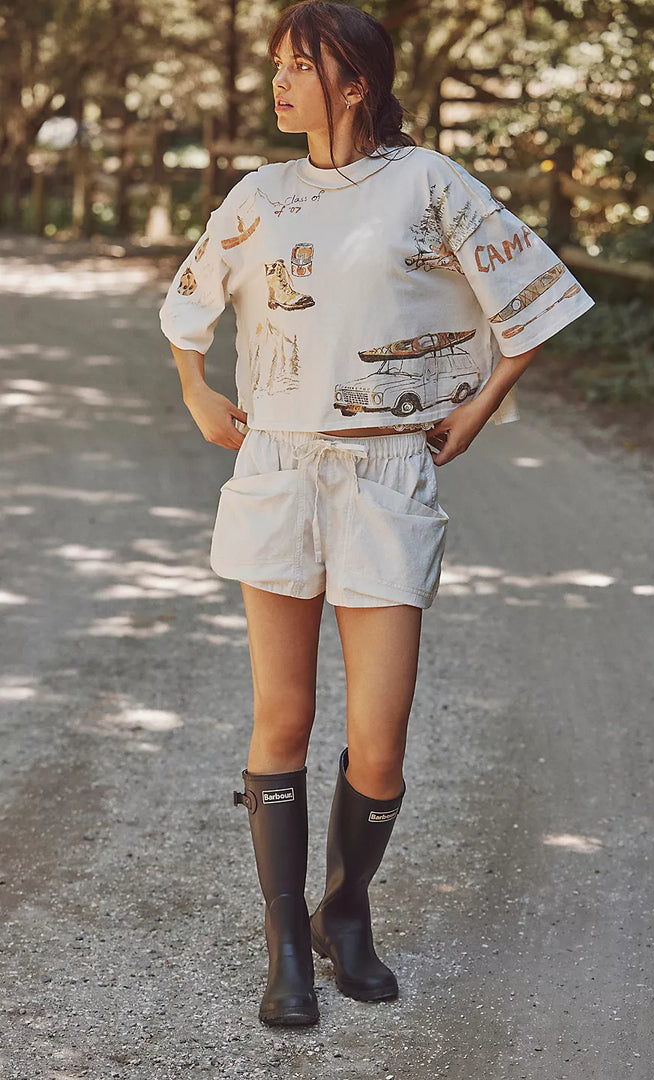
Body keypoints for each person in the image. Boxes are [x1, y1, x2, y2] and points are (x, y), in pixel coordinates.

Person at [159, 0, 595, 1028]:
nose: (277, 82)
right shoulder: (259, 194)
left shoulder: (427, 182)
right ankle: (286, 954)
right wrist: (196, 390)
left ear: (355, 82)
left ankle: (344, 911)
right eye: (274, 65)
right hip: (277, 468)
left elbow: (532, 296)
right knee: (283, 716)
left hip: (388, 474)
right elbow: (189, 305)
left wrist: (480, 407)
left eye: (298, 66)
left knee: (381, 739)